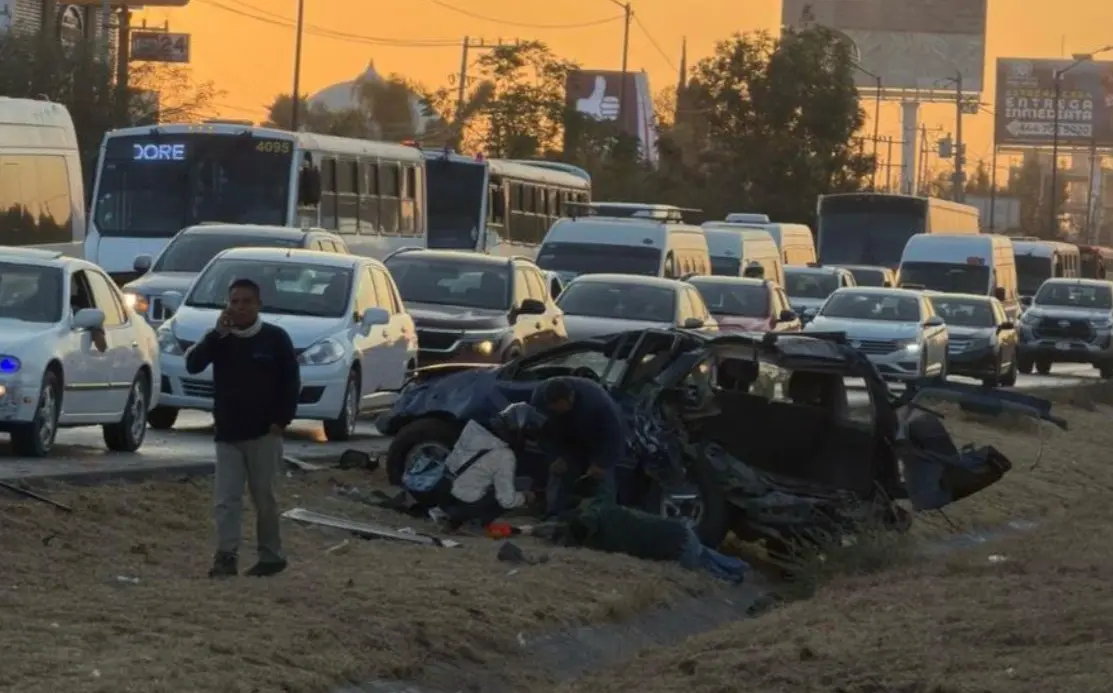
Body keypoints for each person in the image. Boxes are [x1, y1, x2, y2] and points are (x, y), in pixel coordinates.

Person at [184, 278, 300, 579]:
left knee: (265, 498)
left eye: (246, 302)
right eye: (234, 302)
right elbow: (193, 364)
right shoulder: (220, 339)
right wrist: (216, 334)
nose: (240, 308)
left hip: (264, 434)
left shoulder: (275, 339)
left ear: (258, 305)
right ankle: (226, 556)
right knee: (226, 500)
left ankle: (271, 556)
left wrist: (281, 421)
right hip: (228, 434)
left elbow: (291, 383)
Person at [405, 403, 540, 530]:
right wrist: (525, 497)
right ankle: (470, 522)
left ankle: (451, 514)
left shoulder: (476, 432)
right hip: (457, 503)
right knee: (521, 484)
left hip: (442, 492)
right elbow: (506, 499)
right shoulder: (503, 454)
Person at [530, 376, 626, 516]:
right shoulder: (539, 400)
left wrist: (601, 463)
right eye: (554, 409)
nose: (558, 410)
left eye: (561, 407)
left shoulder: (597, 402)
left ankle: (606, 519)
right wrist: (553, 457)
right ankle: (557, 517)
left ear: (571, 397)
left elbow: (614, 436)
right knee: (561, 476)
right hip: (566, 441)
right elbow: (541, 433)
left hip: (597, 439)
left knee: (602, 482)